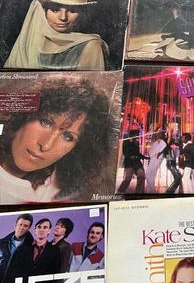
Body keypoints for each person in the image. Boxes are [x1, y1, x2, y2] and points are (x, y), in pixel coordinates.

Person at [0, 76, 111, 204]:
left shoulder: (59, 194)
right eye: (45, 122)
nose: (46, 145)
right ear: (23, 117)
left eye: (68, 136)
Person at [4, 0, 109, 70]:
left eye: (72, 10)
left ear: (82, 13)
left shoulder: (91, 46)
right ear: (44, 11)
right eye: (55, 10)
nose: (63, 17)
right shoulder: (29, 42)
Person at [0, 213, 33, 283]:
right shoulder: (2, 243)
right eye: (20, 224)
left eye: (25, 226)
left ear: (29, 228)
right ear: (15, 225)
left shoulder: (32, 246)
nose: (21, 228)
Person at [117, 130, 149, 194]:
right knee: (128, 179)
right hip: (129, 162)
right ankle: (120, 191)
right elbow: (125, 152)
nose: (137, 137)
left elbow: (138, 153)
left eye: (137, 135)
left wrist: (145, 157)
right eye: (136, 135)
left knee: (141, 174)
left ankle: (139, 192)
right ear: (132, 135)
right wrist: (131, 156)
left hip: (137, 162)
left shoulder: (136, 143)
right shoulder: (126, 142)